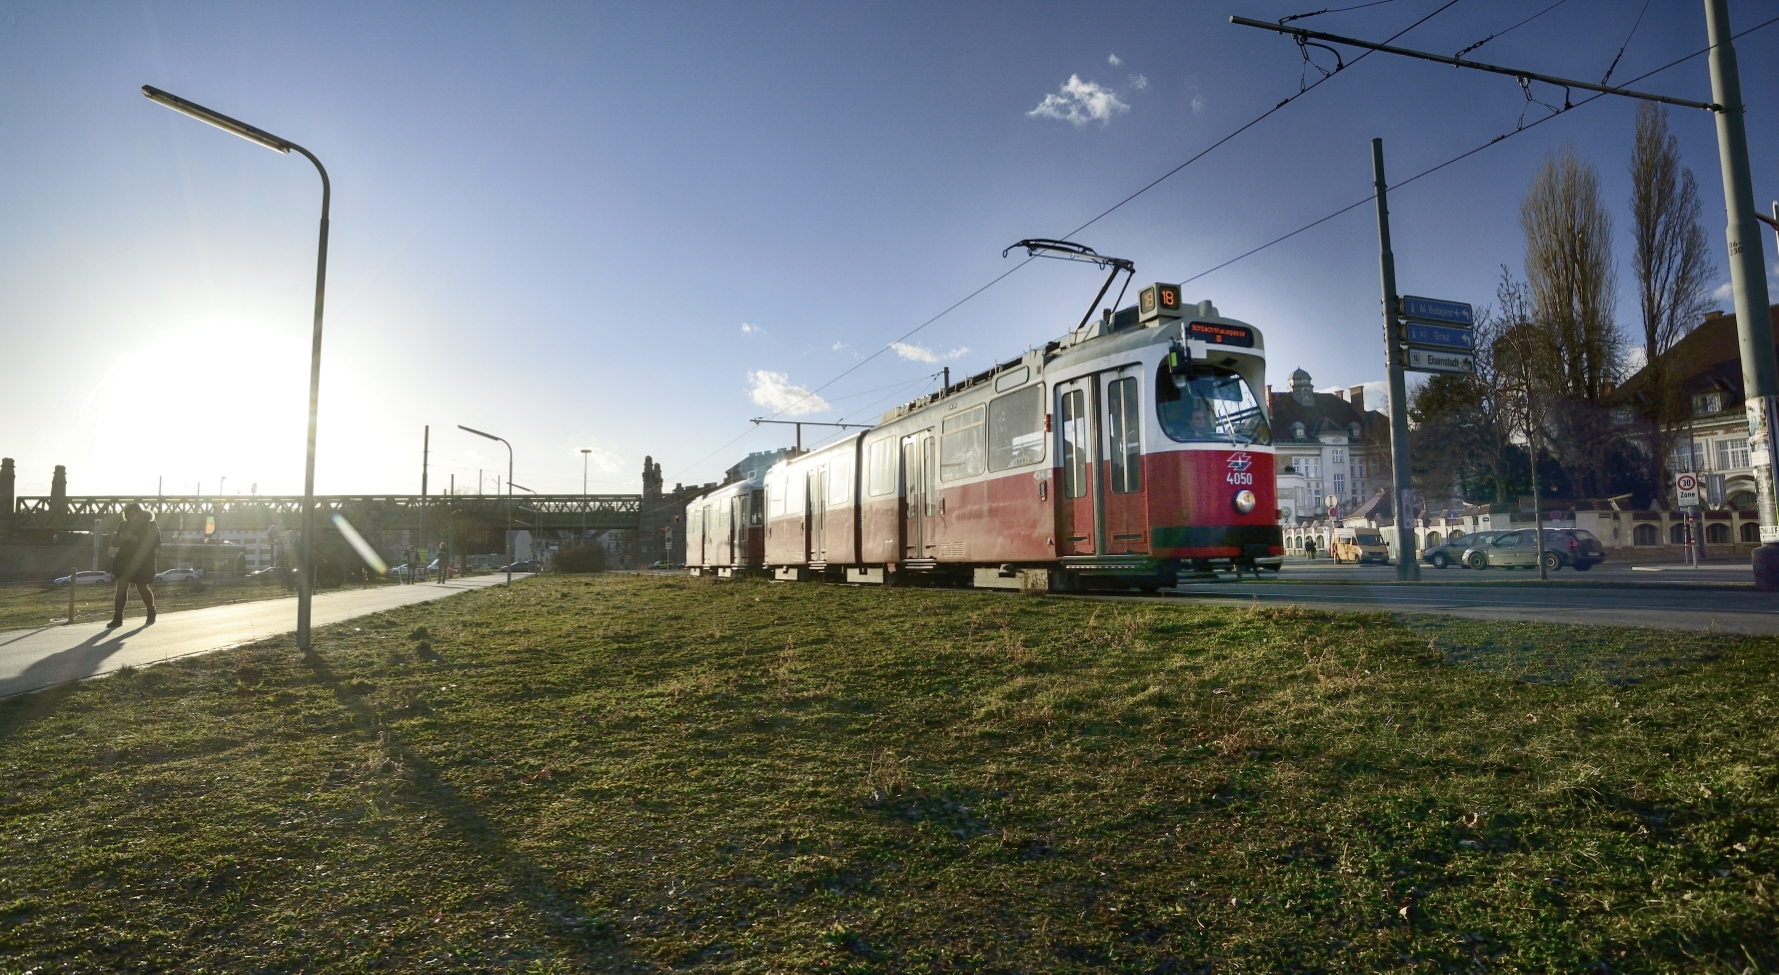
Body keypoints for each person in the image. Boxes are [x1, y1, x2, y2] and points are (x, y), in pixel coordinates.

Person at [108, 503, 161, 627]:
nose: (130, 517)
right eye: (128, 515)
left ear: (140, 513)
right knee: (121, 587)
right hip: (124, 560)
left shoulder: (150, 525)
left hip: (142, 561)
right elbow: (114, 542)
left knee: (141, 587)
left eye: (133, 514)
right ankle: (117, 618)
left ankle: (151, 611)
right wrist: (122, 538)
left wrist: (135, 539)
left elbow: (156, 543)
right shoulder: (123, 525)